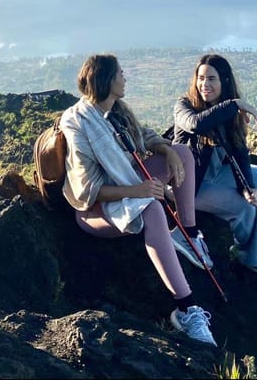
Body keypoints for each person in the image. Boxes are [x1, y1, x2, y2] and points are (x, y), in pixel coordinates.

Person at [59, 54, 217, 346]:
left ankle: (189, 235)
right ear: (106, 80)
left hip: (127, 187)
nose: (125, 77)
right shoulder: (79, 124)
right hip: (95, 211)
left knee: (182, 153)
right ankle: (186, 309)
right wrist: (139, 191)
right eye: (120, 73)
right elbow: (86, 192)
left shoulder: (116, 111)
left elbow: (144, 136)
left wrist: (167, 150)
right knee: (154, 208)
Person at [172, 53, 257, 275]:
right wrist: (235, 104)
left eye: (211, 79)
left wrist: (247, 187)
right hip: (190, 183)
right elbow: (196, 124)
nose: (204, 84)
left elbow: (239, 151)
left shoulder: (229, 112)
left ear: (224, 81)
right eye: (201, 78)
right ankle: (248, 255)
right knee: (244, 208)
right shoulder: (184, 105)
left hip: (217, 172)